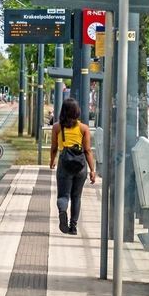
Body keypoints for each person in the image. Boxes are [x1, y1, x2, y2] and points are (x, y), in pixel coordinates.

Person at [50, 97, 97, 235]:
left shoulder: (57, 127)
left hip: (64, 163)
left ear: (63, 111)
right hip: (80, 165)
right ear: (77, 112)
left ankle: (62, 211)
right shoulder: (84, 128)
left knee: (63, 196)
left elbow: (54, 147)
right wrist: (92, 170)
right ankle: (73, 227)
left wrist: (52, 161)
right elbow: (88, 150)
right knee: (76, 196)